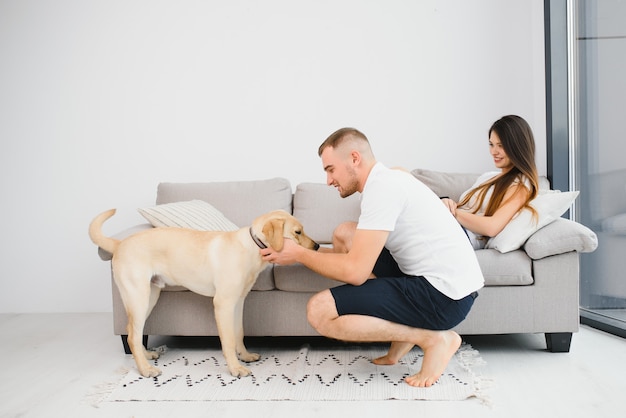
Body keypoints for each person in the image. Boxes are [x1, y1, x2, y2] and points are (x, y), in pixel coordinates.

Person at [260, 127, 484, 387]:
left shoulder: (382, 190)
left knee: (319, 311)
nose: (328, 180)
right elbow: (359, 253)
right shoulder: (388, 179)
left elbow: (355, 272)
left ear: (354, 158)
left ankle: (434, 339)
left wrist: (298, 253)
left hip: (444, 297)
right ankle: (404, 341)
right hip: (445, 286)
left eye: (331, 169)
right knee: (345, 233)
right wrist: (303, 253)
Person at [440, 114, 540, 249]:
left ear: (517, 147)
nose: (494, 152)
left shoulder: (520, 185)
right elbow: (468, 208)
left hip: (462, 235)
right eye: (491, 144)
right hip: (449, 224)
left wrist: (453, 213)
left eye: (501, 145)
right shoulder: (488, 177)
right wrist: (447, 203)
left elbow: (492, 227)